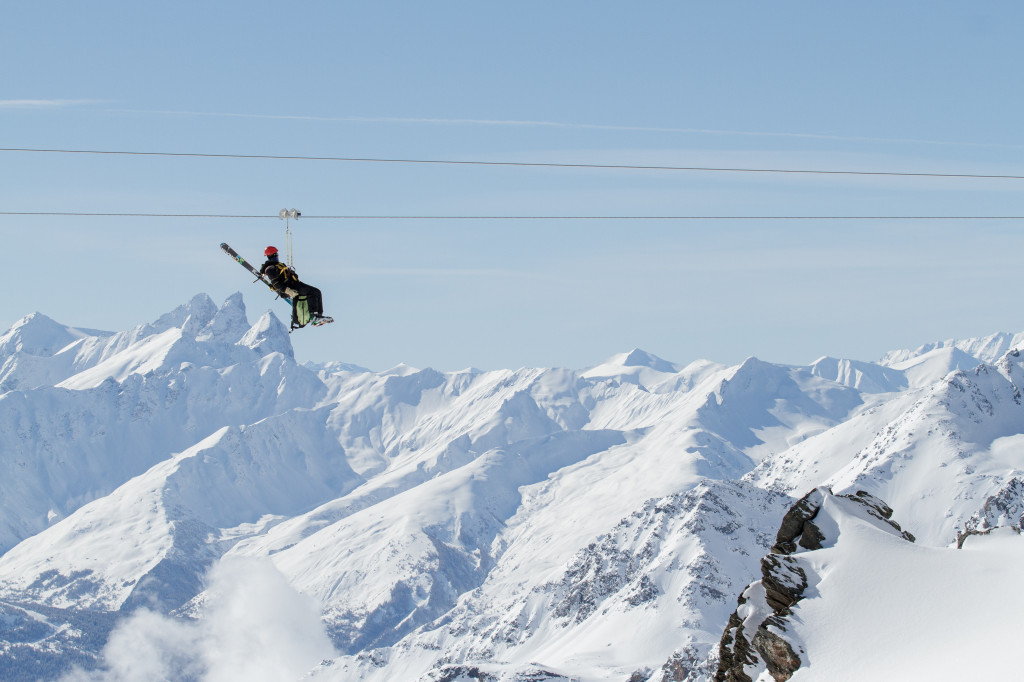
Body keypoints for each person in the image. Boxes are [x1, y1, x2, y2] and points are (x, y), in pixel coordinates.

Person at [259, 246, 327, 328]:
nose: (277, 256)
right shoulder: (270, 268)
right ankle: (314, 318)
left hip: (295, 284)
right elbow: (276, 284)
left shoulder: (278, 266)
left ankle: (318, 316)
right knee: (312, 293)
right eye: (276, 254)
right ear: (273, 255)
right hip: (291, 287)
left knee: (317, 292)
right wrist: (288, 291)